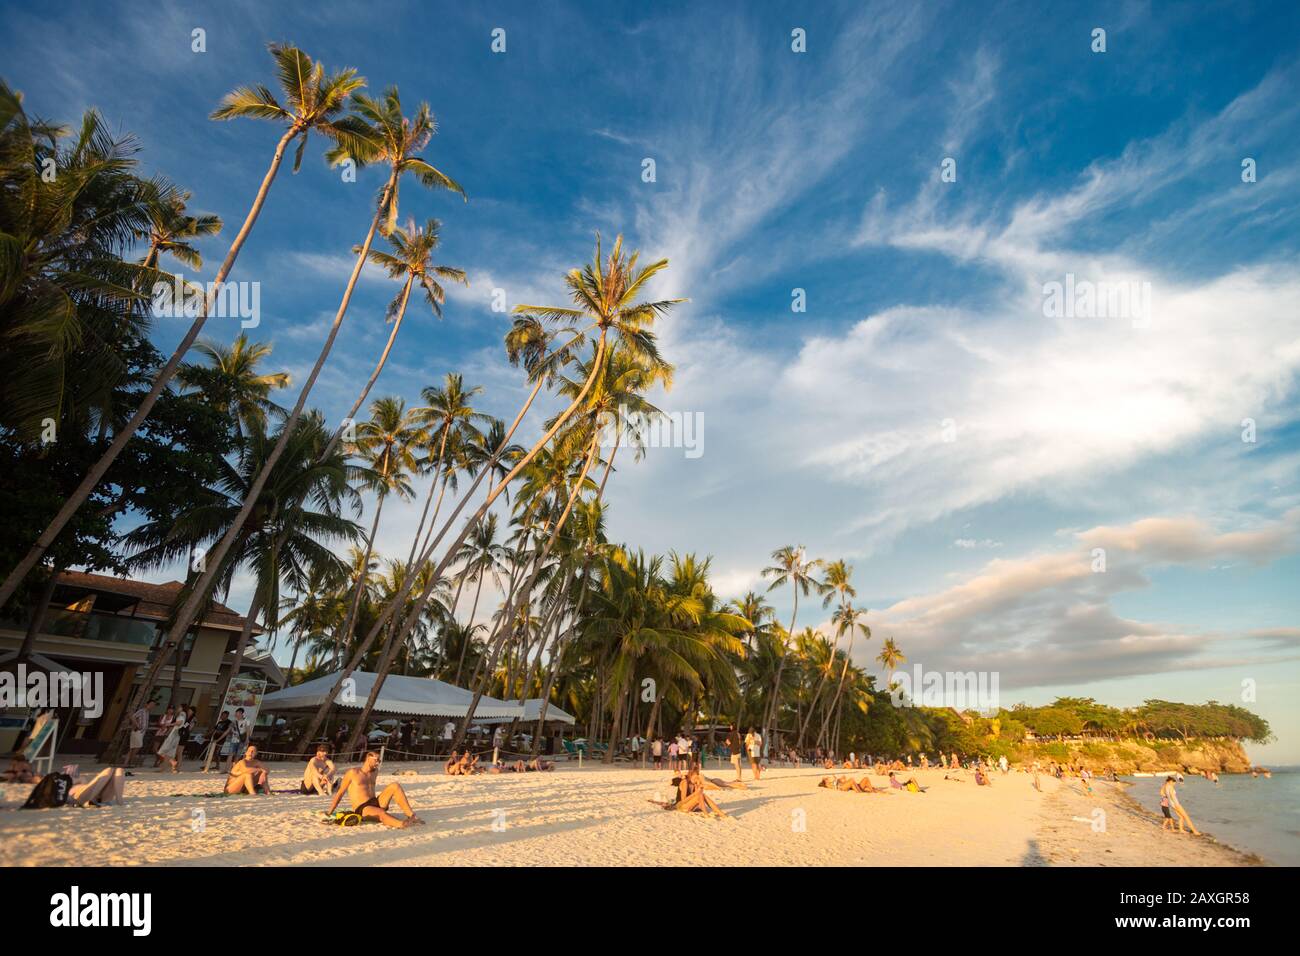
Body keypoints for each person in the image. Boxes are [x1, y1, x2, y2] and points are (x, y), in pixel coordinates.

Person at [328, 751, 424, 828]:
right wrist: (329, 813)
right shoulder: (353, 773)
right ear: (368, 759)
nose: (378, 763)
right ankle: (401, 824)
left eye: (380, 761)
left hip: (376, 802)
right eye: (376, 760)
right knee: (381, 813)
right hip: (363, 808)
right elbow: (340, 793)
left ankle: (411, 815)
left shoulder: (375, 772)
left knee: (395, 785)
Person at [125, 699, 155, 769]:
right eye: (151, 704)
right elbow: (132, 717)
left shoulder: (147, 713)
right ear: (147, 704)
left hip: (141, 732)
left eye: (153, 705)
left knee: (133, 748)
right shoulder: (142, 711)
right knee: (137, 747)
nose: (152, 706)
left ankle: (127, 763)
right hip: (138, 731)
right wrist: (137, 725)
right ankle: (130, 762)